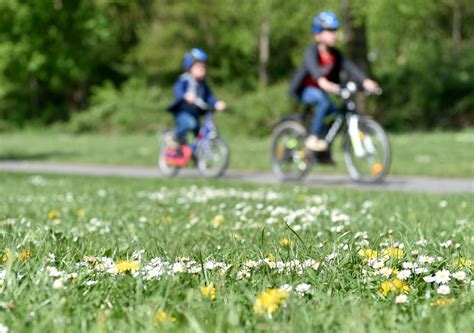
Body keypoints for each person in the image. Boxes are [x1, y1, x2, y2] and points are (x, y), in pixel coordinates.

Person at [288, 11, 379, 152]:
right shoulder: (311, 51)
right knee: (323, 101)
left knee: (336, 112)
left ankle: (323, 148)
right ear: (318, 34)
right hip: (305, 90)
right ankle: (313, 137)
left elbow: (350, 67)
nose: (334, 34)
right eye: (329, 31)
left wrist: (365, 81)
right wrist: (322, 81)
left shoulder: (336, 55)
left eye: (335, 30)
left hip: (321, 92)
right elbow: (313, 67)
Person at [166, 48, 226, 166]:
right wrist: (185, 96)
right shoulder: (184, 80)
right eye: (199, 67)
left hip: (196, 113)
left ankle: (197, 155)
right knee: (190, 124)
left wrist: (217, 103)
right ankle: (173, 136)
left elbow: (210, 97)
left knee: (200, 135)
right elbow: (177, 90)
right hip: (183, 113)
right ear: (190, 68)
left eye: (203, 67)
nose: (202, 70)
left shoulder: (203, 85)